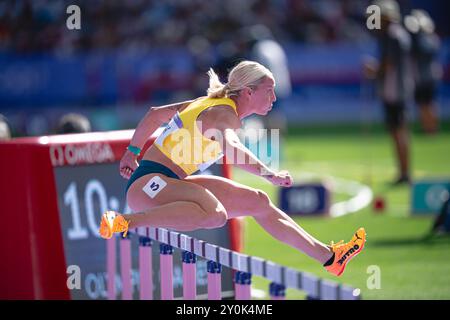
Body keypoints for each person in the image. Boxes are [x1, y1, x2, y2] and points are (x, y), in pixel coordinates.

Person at [99, 61, 366, 277]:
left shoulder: (209, 105)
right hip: (149, 185)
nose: (274, 97)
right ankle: (126, 222)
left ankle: (330, 258)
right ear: (248, 92)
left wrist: (131, 153)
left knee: (258, 202)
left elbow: (155, 113)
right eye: (269, 90)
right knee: (215, 215)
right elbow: (233, 149)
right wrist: (267, 172)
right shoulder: (224, 115)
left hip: (167, 183)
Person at [364, 0, 413, 185]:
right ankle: (403, 172)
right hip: (398, 89)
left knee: (398, 131)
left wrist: (373, 71)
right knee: (398, 131)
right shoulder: (398, 34)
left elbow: (388, 64)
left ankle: (404, 173)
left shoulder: (391, 36)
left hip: (394, 91)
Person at [404, 9, 441, 134]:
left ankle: (430, 128)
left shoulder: (422, 40)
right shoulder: (431, 38)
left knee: (426, 104)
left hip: (424, 77)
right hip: (428, 75)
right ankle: (429, 128)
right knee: (427, 104)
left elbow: (417, 53)